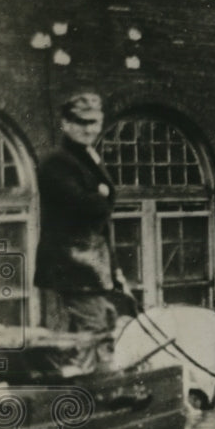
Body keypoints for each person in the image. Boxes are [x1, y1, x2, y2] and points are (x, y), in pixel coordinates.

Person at [34, 92, 129, 332]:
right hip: (71, 272)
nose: (88, 130)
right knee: (95, 334)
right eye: (81, 122)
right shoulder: (57, 162)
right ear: (65, 124)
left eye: (94, 122)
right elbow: (88, 208)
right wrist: (101, 195)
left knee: (107, 327)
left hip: (92, 271)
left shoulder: (88, 158)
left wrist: (115, 270)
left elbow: (101, 220)